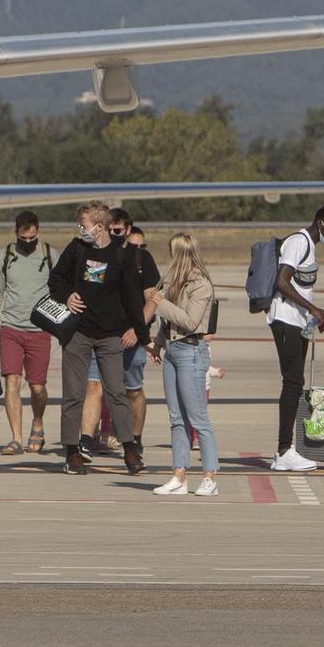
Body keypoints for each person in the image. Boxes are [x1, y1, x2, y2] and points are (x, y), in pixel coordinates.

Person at [50, 201, 148, 475]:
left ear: (100, 226)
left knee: (117, 392)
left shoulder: (121, 255)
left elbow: (131, 298)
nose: (80, 228)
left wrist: (142, 334)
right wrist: (66, 295)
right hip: (78, 333)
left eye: (83, 224)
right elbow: (55, 279)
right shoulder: (76, 249)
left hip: (109, 336)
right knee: (73, 394)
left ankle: (130, 450)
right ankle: (72, 452)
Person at [268, 205, 324, 472]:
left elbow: (301, 289)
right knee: (293, 382)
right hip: (285, 320)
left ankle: (285, 450)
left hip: (298, 322)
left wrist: (316, 316)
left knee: (295, 383)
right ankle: (284, 450)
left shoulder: (310, 245)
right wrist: (313, 309)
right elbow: (282, 282)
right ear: (319, 222)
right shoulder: (299, 242)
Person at [0, 210, 52, 454]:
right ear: (16, 233)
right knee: (12, 382)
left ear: (38, 232)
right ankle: (16, 438)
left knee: (37, 387)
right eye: (23, 238)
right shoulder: (6, 256)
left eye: (32, 238)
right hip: (10, 328)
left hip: (40, 331)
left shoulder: (51, 255)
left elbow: (62, 290)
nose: (28, 243)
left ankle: (37, 422)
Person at [150, 232, 219, 497]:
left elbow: (190, 322)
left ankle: (209, 476)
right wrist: (157, 342)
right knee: (176, 418)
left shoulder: (201, 285)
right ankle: (179, 475)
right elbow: (169, 323)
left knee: (198, 418)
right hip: (172, 350)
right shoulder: (175, 283)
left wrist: (161, 303)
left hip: (192, 351)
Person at [85, 211, 159, 451]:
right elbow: (92, 294)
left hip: (131, 337)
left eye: (117, 231)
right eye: (109, 230)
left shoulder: (141, 259)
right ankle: (86, 440)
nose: (113, 235)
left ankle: (134, 439)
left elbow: (152, 299)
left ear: (127, 230)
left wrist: (137, 331)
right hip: (101, 334)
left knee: (132, 390)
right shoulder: (98, 257)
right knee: (94, 387)